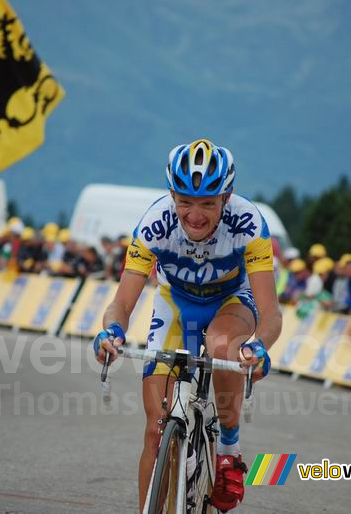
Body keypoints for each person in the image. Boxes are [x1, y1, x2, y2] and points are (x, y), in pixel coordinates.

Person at [93, 139, 281, 512]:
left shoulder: (248, 224)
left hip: (230, 300)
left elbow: (271, 313)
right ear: (171, 195)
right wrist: (112, 331)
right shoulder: (155, 224)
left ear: (226, 198)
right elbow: (122, 303)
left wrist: (259, 347)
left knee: (223, 346)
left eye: (208, 203)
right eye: (185, 202)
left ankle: (228, 449)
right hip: (176, 303)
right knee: (154, 428)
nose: (195, 215)